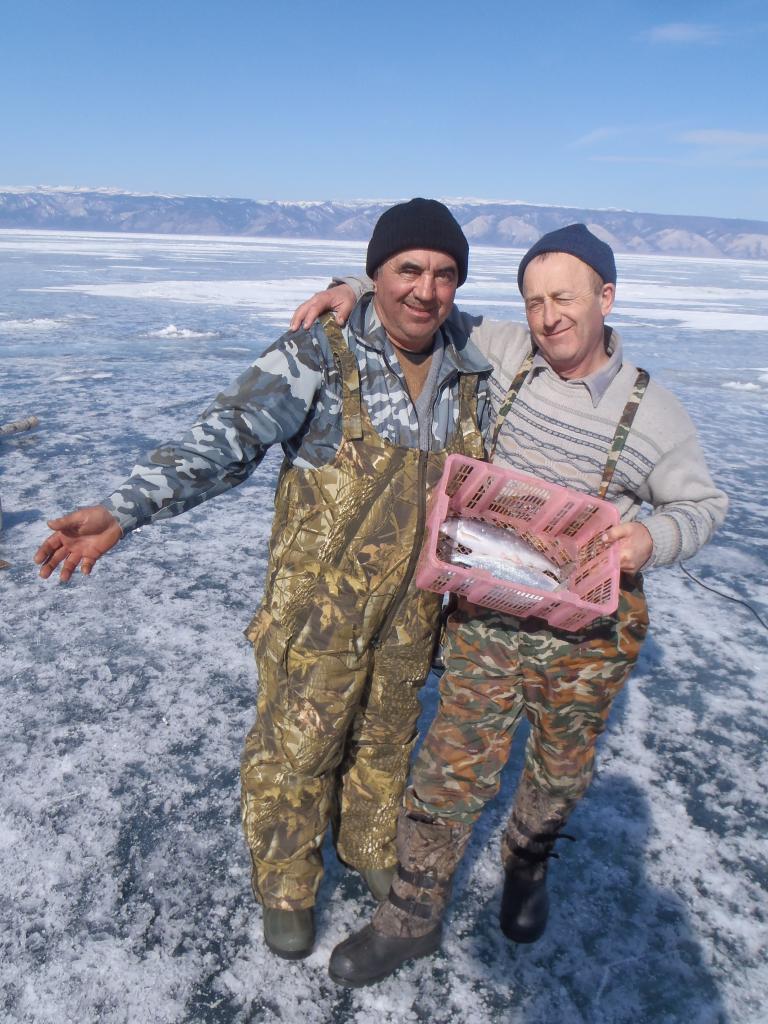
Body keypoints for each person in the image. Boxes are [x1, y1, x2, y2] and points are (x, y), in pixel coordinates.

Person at [33, 198, 493, 960]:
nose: (426, 289)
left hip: (412, 615)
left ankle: (370, 842)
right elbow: (225, 437)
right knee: (297, 750)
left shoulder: (471, 370)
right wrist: (125, 510)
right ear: (377, 273)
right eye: (407, 269)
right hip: (317, 614)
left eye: (445, 275)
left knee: (385, 738)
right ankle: (285, 882)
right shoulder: (321, 354)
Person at [289, 223, 728, 986]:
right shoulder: (512, 355)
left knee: (560, 769)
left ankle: (526, 864)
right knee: (450, 769)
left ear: (606, 297)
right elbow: (425, 307)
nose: (548, 315)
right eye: (533, 300)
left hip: (588, 630)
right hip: (492, 611)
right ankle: (413, 918)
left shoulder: (655, 413)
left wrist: (646, 541)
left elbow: (703, 505)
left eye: (564, 297)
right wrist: (352, 288)